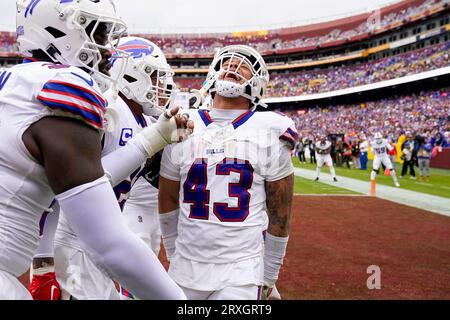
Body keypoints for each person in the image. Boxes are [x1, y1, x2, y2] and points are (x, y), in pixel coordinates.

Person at [0, 1, 188, 300]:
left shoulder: (13, 83)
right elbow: (108, 243)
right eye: (99, 37)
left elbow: (64, 185)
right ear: (59, 30)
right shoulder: (62, 87)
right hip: (69, 252)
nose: (107, 52)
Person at [158, 45, 296, 300]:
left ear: (258, 83)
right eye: (227, 63)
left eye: (243, 64)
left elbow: (281, 215)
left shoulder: (270, 129)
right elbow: (167, 198)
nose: (232, 66)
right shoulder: (182, 122)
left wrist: (269, 275)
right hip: (185, 267)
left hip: (241, 271)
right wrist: (173, 252)